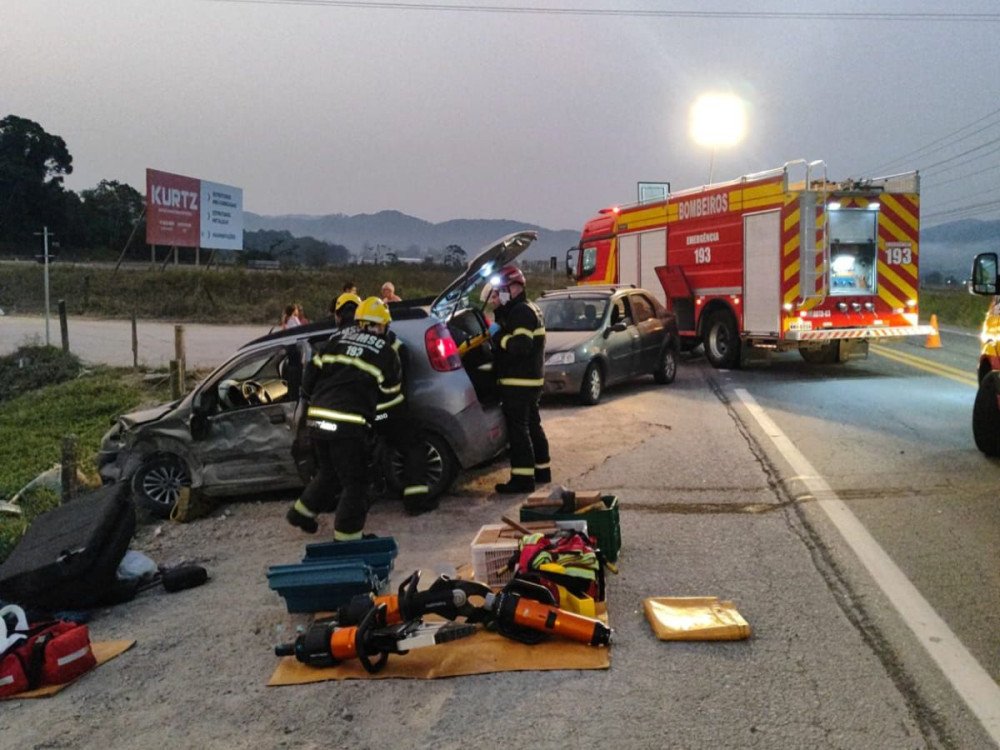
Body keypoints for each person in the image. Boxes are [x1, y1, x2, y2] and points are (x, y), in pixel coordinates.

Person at [286, 297, 401, 540]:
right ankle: (348, 538)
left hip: (317, 419)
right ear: (384, 326)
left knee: (329, 472)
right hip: (347, 424)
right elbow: (391, 395)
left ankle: (301, 513)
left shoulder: (335, 341)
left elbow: (310, 374)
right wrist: (378, 419)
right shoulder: (385, 351)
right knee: (356, 483)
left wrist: (307, 399)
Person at [482, 265, 550, 494]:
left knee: (518, 431)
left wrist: (497, 335)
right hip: (529, 381)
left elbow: (520, 346)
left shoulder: (521, 311)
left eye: (501, 289)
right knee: (532, 425)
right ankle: (542, 470)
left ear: (515, 287)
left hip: (519, 382)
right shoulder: (526, 308)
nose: (497, 294)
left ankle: (522, 479)